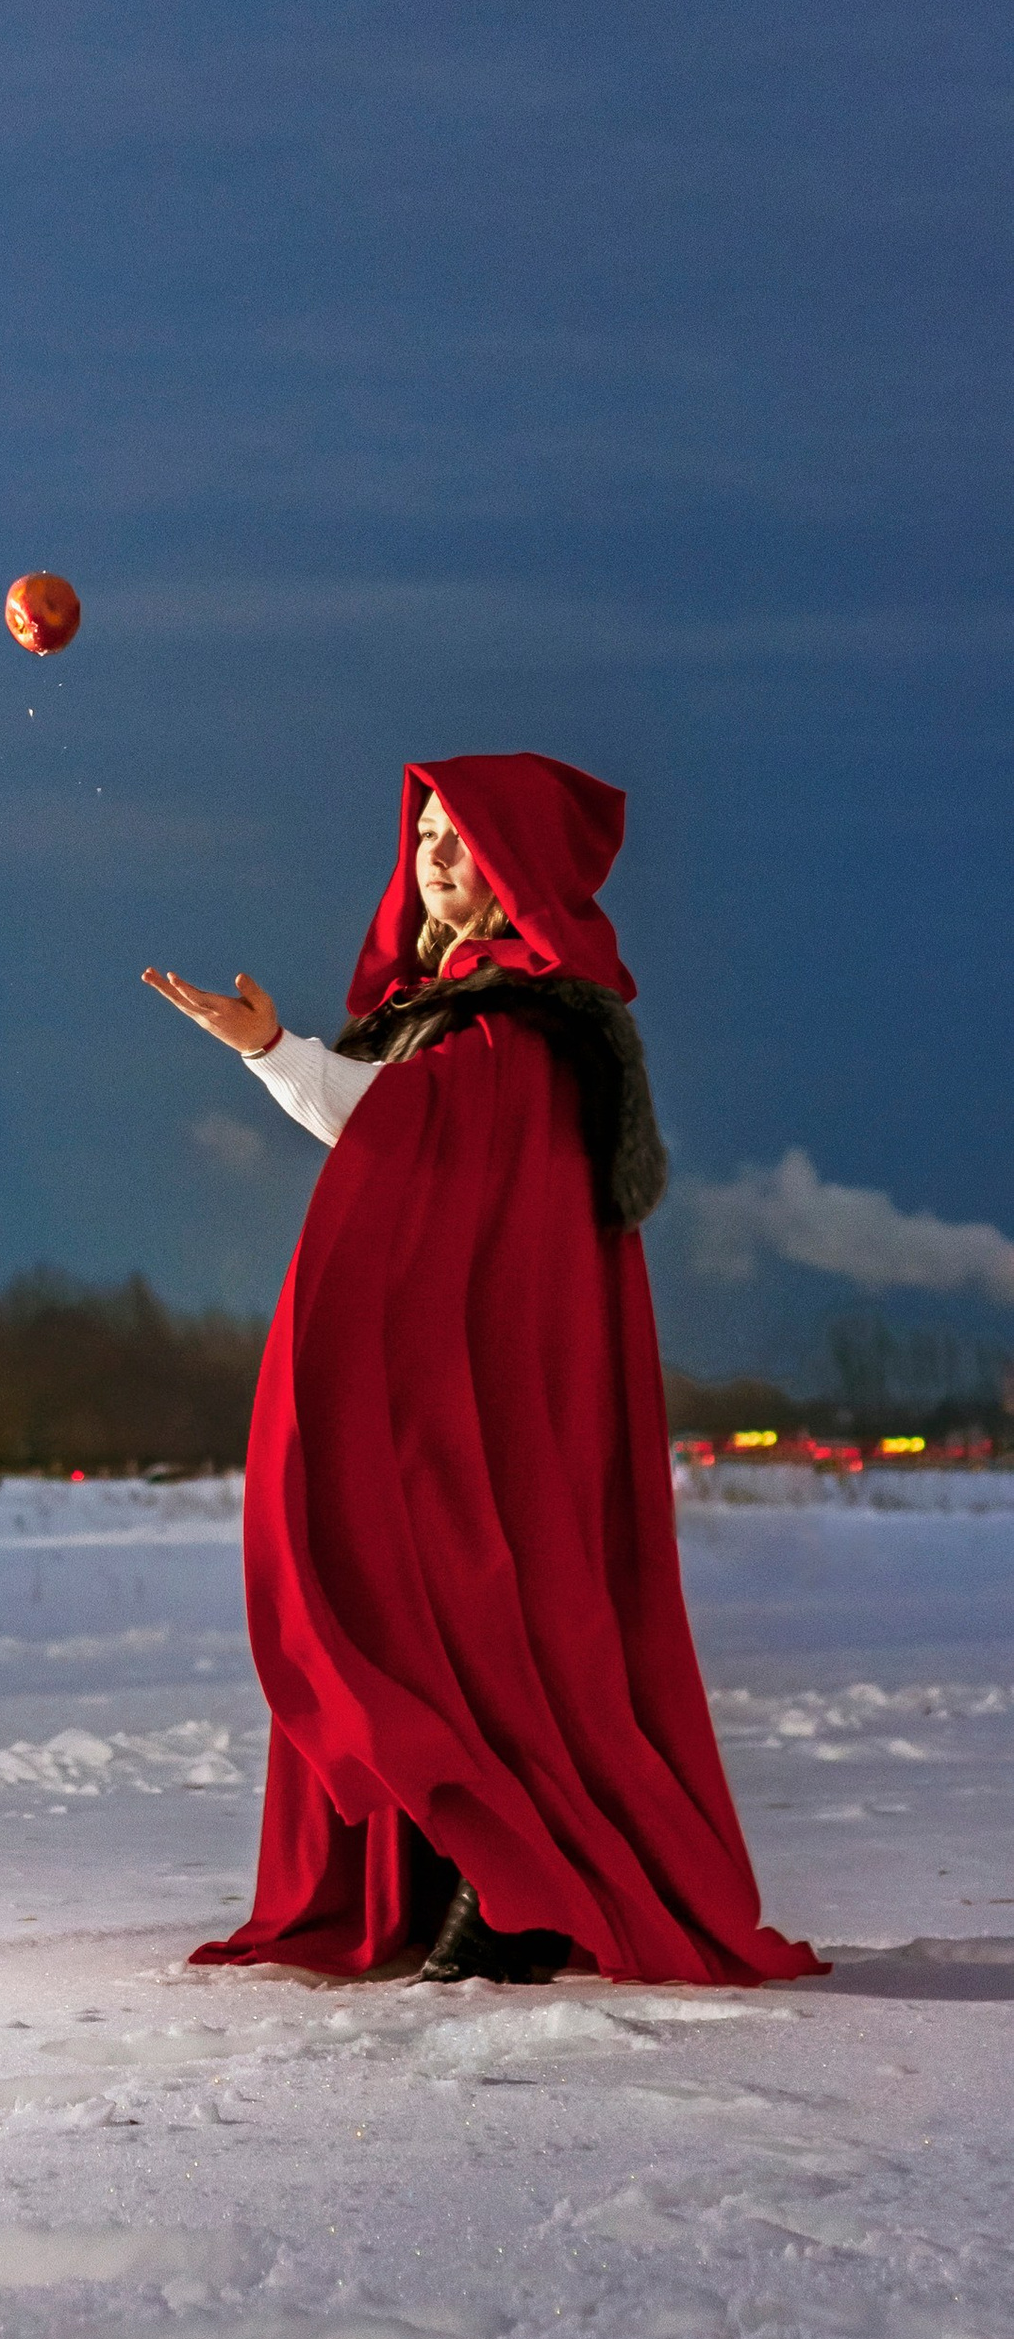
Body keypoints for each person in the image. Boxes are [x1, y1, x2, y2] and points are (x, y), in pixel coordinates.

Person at [147, 753, 820, 1987]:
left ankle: (521, 1889)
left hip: (504, 1405)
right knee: (435, 1608)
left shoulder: (529, 1031)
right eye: (424, 840)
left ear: (523, 876)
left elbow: (397, 1124)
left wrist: (271, 1052)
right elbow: (399, 1135)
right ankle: (475, 1874)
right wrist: (278, 1054)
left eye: (463, 842)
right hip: (455, 1395)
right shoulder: (457, 1016)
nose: (435, 861)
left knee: (484, 1612)